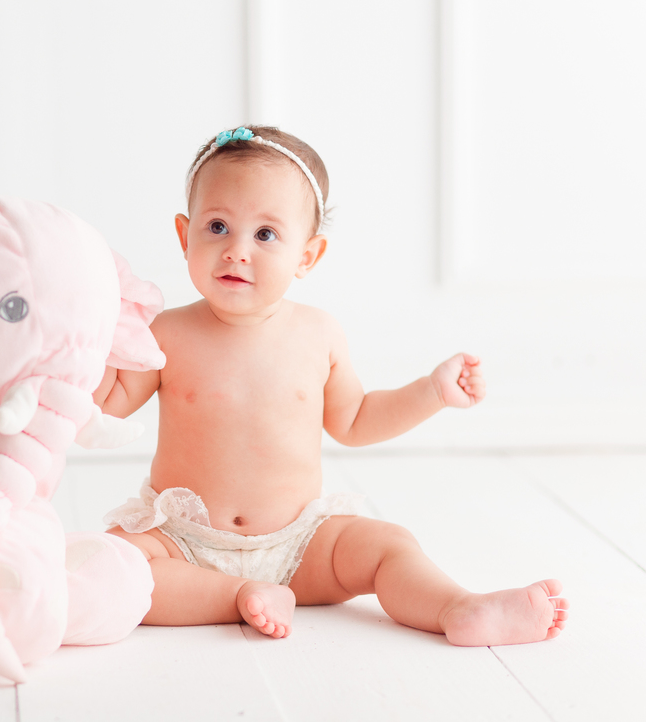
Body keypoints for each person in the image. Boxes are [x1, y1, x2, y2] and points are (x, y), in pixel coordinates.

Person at [91, 126, 568, 644]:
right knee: (118, 564)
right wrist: (101, 336)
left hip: (302, 546)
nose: (236, 251)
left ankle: (457, 607)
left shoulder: (318, 335)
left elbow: (356, 420)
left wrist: (431, 392)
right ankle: (236, 594)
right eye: (218, 227)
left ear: (307, 256)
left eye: (265, 234)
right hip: (183, 542)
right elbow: (107, 405)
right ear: (185, 236)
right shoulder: (165, 333)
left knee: (388, 545)